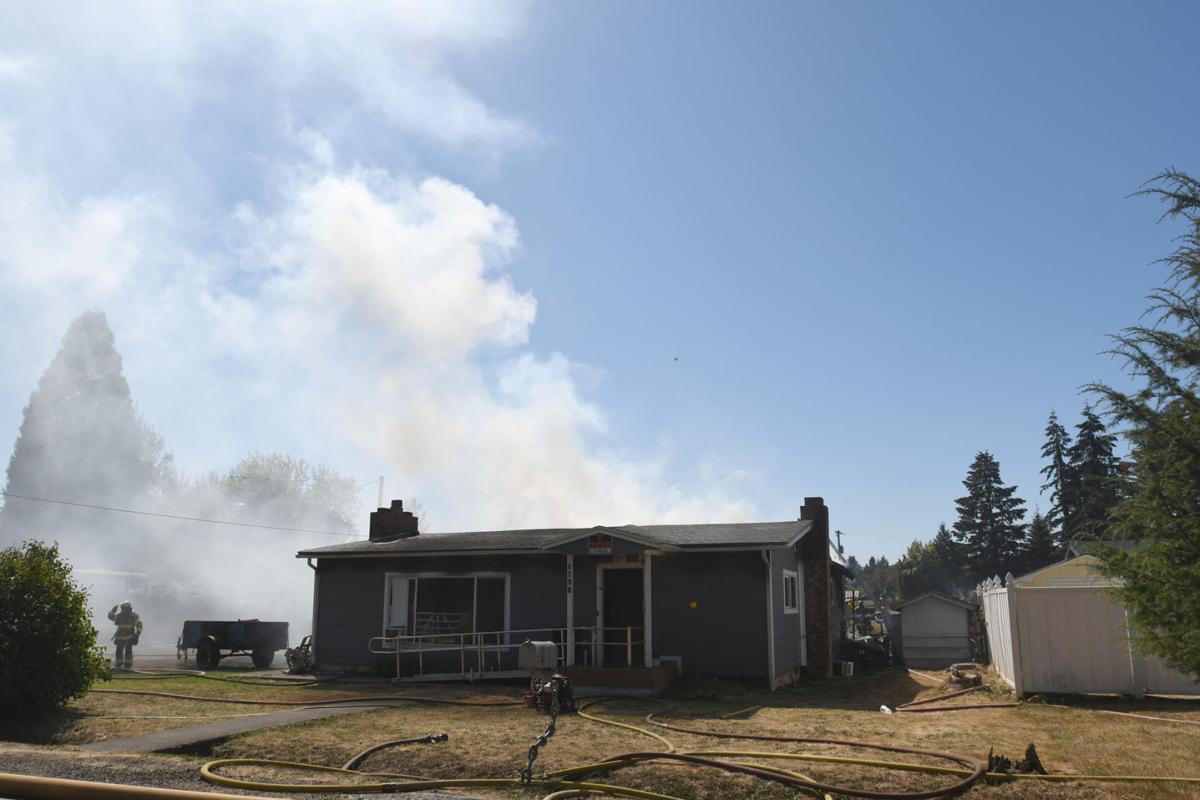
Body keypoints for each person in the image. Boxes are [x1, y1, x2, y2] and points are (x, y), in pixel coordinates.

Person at [108, 600, 143, 671]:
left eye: (126, 608)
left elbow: (139, 625)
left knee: (127, 652)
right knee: (119, 651)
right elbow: (111, 617)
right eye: (124, 608)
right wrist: (113, 611)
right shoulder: (120, 616)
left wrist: (137, 634)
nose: (125, 610)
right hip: (121, 637)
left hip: (128, 637)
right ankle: (120, 665)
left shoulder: (133, 616)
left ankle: (127, 666)